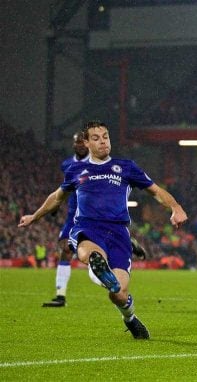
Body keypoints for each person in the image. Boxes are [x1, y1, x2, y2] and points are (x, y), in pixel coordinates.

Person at [19, 121, 188, 339]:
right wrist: (35, 216)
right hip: (87, 227)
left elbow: (155, 191)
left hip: (118, 232)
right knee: (88, 253)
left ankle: (130, 318)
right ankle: (97, 265)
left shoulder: (126, 167)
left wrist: (176, 207)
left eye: (105, 136)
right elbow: (57, 198)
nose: (102, 141)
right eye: (96, 138)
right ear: (87, 143)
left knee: (118, 294)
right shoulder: (76, 169)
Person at [42, 132, 147, 308]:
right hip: (73, 214)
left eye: (82, 142)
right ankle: (60, 295)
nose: (80, 146)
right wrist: (54, 207)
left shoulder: (99, 163)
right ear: (75, 144)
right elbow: (63, 190)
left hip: (92, 217)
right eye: (77, 142)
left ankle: (122, 245)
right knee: (65, 249)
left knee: (80, 252)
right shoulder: (68, 165)